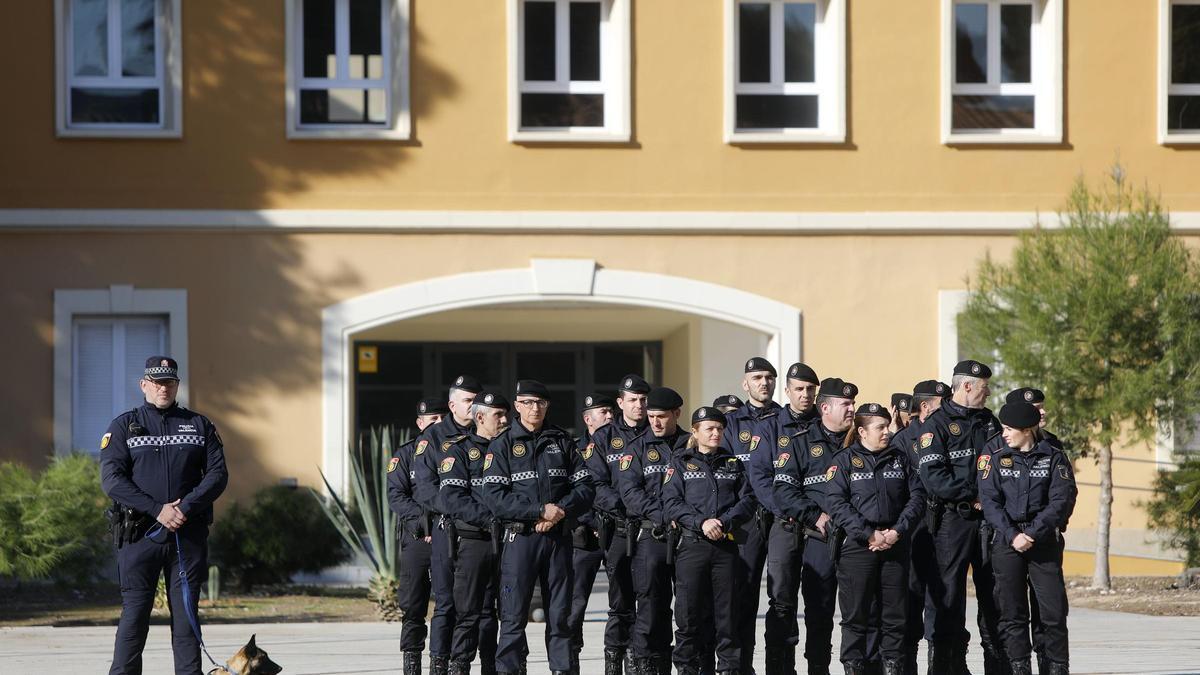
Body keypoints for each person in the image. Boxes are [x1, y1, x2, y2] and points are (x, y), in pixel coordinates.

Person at [100, 356, 229, 675]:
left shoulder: (200, 425)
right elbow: (112, 480)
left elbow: (217, 474)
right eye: (157, 382)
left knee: (186, 619)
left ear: (177, 386)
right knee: (134, 617)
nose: (163, 388)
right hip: (139, 536)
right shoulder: (123, 426)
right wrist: (157, 509)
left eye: (169, 382)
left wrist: (184, 508)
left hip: (187, 536)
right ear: (144, 385)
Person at [482, 380, 596, 675]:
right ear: (518, 406)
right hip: (520, 540)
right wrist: (538, 511)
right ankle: (510, 669)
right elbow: (495, 498)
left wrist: (559, 512)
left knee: (560, 614)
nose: (535, 408)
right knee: (513, 614)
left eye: (541, 403)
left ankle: (562, 669)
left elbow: (585, 487)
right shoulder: (502, 445)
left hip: (558, 539)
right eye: (528, 402)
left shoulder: (562, 441)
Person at [825, 404, 926, 675]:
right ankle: (855, 667)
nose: (887, 432)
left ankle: (892, 667)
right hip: (858, 548)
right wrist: (868, 533)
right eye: (880, 427)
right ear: (862, 432)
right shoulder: (843, 461)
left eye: (886, 426)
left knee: (894, 617)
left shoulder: (900, 458)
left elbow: (916, 498)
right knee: (856, 616)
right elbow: (836, 502)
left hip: (895, 544)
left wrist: (896, 531)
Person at [916, 360, 1003, 674]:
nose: (988, 392)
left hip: (989, 522)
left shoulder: (989, 422)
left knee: (994, 596)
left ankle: (998, 664)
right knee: (948, 597)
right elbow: (933, 477)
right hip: (954, 521)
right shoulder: (936, 425)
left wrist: (990, 498)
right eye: (984, 387)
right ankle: (947, 666)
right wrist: (973, 494)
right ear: (967, 386)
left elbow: (1001, 465)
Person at [978, 402, 1077, 675]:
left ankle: (1056, 668)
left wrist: (1032, 533)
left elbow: (1061, 500)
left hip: (1042, 540)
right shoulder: (996, 454)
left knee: (1053, 612)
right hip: (1007, 541)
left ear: (1026, 430)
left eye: (1009, 429)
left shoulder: (1054, 455)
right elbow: (989, 500)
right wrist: (1013, 535)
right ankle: (1018, 668)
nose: (1005, 434)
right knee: (1012, 613)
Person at [663, 407, 756, 675]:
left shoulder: (733, 464)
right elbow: (671, 502)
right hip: (692, 546)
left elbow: (748, 500)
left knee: (727, 617)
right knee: (689, 616)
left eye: (719, 429)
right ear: (695, 431)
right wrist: (701, 523)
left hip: (725, 547)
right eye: (709, 429)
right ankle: (687, 668)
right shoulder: (680, 463)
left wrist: (723, 522)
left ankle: (728, 669)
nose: (716, 433)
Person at [774, 377, 857, 675]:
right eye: (845, 404)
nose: (852, 410)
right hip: (819, 540)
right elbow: (783, 491)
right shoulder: (799, 443)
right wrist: (815, 516)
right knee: (819, 614)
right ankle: (817, 668)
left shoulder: (859, 442)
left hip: (856, 542)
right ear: (825, 408)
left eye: (853, 404)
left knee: (858, 615)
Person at [413, 375, 484, 675]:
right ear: (453, 404)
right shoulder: (433, 438)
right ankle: (439, 664)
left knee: (481, 607)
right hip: (448, 529)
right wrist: (459, 508)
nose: (473, 406)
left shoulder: (488, 434)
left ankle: (471, 664)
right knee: (446, 604)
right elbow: (425, 490)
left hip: (482, 534)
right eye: (467, 401)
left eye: (476, 400)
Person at [617, 387, 691, 675]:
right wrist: (663, 514)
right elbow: (630, 492)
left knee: (688, 608)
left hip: (687, 536)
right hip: (652, 535)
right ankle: (649, 665)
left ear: (677, 414)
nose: (655, 423)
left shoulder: (691, 444)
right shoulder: (636, 448)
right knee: (650, 606)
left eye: (661, 417)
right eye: (651, 417)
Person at [439, 392, 512, 675]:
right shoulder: (458, 450)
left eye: (507, 414)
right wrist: (491, 519)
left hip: (508, 541)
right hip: (475, 541)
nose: (505, 420)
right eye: (499, 415)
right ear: (480, 417)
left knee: (502, 614)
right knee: (468, 613)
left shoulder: (511, 450)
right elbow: (453, 498)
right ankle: (460, 667)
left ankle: (494, 668)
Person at [760, 361, 820, 675]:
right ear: (787, 391)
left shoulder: (823, 424)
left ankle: (815, 665)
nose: (805, 394)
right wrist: (788, 510)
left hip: (816, 526)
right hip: (783, 523)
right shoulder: (770, 426)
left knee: (817, 600)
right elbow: (760, 476)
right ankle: (779, 667)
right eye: (799, 389)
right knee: (781, 598)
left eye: (811, 389)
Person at [724, 357, 783, 674]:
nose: (764, 382)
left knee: (782, 594)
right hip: (747, 520)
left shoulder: (786, 419)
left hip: (780, 516)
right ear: (745, 384)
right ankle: (741, 666)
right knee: (742, 596)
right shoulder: (732, 425)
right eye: (757, 377)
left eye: (769, 377)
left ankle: (778, 664)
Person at [590, 374, 653, 675]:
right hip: (618, 528)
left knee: (650, 596)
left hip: (652, 527)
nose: (639, 405)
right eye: (633, 400)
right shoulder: (603, 438)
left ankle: (640, 656)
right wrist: (625, 505)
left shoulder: (657, 433)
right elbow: (597, 484)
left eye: (643, 400)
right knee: (621, 598)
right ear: (620, 403)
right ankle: (614, 658)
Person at [388, 398, 450, 675]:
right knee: (413, 606)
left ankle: (440, 662)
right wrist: (425, 527)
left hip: (448, 537)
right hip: (417, 541)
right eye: (431, 419)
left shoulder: (454, 451)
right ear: (420, 423)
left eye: (441, 419)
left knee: (448, 605)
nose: (436, 424)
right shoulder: (405, 454)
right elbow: (397, 496)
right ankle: (411, 662)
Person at [892, 380, 948, 675]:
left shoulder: (946, 433)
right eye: (942, 404)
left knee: (941, 595)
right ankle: (908, 663)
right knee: (912, 596)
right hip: (914, 528)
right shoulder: (903, 441)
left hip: (945, 525)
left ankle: (938, 663)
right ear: (925, 408)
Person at [569, 393, 617, 673]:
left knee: (622, 601)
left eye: (611, 411)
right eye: (602, 412)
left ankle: (618, 659)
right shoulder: (575, 450)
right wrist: (593, 522)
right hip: (584, 536)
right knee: (575, 604)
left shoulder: (623, 447)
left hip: (617, 533)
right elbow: (574, 494)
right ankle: (571, 656)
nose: (609, 416)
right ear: (588, 419)